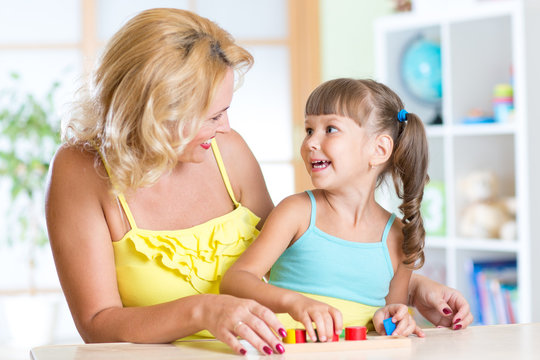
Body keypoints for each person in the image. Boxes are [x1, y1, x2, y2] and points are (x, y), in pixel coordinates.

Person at [45, 8, 471, 357]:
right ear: (157, 112)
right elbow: (97, 324)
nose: (226, 126)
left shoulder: (227, 150)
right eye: (212, 116)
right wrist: (204, 311)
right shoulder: (81, 172)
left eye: (225, 110)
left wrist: (412, 289)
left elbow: (302, 257)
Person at [221, 78, 456, 342]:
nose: (311, 142)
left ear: (379, 149)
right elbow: (236, 281)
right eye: (309, 130)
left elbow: (389, 317)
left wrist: (394, 318)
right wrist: (296, 303)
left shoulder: (398, 238)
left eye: (330, 129)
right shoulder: (297, 212)